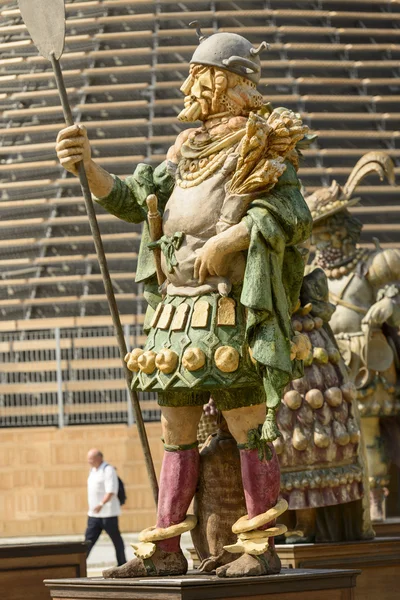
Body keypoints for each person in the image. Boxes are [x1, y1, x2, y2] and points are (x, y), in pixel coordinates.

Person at [56, 27, 312, 579]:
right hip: (176, 312)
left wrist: (228, 239)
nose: (188, 85)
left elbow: (290, 213)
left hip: (227, 312)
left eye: (200, 75)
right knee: (175, 431)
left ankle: (261, 546)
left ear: (227, 82)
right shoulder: (183, 154)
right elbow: (131, 199)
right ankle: (166, 548)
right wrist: (89, 167)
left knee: (250, 425)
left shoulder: (261, 143)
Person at [306, 151, 400, 522]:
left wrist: (388, 304)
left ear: (343, 233)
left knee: (369, 430)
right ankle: (340, 504)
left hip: (367, 362)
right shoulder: (314, 274)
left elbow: (394, 292)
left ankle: (377, 499)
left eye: (327, 235)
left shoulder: (372, 265)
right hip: (328, 366)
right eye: (317, 237)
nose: (322, 244)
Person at [85, 448, 126, 566]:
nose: (89, 461)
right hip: (94, 515)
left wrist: (101, 504)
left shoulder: (108, 470)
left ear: (99, 458)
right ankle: (80, 563)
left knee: (116, 540)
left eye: (91, 459)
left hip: (108, 514)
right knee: (88, 541)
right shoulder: (92, 471)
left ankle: (122, 563)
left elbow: (111, 490)